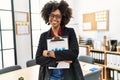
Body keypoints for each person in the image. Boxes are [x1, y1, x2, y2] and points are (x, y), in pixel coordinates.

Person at [36, 1, 84, 80]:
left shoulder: (70, 32)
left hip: (69, 75)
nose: (54, 18)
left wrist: (50, 53)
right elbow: (38, 59)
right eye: (52, 15)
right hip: (51, 76)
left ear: (62, 18)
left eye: (58, 16)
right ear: (48, 16)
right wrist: (58, 60)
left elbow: (74, 53)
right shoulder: (43, 36)